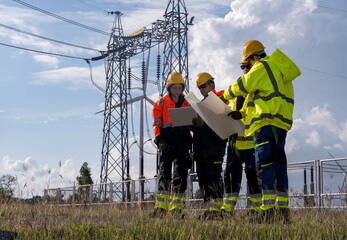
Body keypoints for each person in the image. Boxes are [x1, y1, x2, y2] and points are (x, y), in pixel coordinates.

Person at [225, 40, 301, 223]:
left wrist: (224, 95)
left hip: (265, 124)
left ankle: (267, 211)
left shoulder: (262, 66)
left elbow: (243, 85)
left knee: (264, 166)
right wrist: (242, 113)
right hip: (280, 124)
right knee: (279, 167)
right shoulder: (279, 71)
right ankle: (282, 212)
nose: (248, 68)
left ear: (255, 57)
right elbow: (265, 99)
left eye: (247, 63)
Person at [222, 59, 262, 217]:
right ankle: (228, 209)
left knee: (253, 175)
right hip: (234, 144)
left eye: (247, 66)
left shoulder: (256, 91)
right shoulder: (234, 96)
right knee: (230, 176)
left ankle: (255, 209)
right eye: (242, 67)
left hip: (251, 142)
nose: (245, 69)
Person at [151, 71, 192, 218]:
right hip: (167, 142)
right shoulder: (160, 103)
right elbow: (157, 124)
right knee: (164, 174)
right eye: (175, 88)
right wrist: (159, 140)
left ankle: (176, 209)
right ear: (169, 88)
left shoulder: (188, 101)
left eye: (180, 87)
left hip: (182, 142)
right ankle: (161, 208)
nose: (178, 90)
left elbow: (192, 123)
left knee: (180, 176)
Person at [192, 72, 227, 220]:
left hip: (215, 147)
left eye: (203, 86)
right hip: (201, 149)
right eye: (199, 87)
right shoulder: (199, 105)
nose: (201, 90)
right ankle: (209, 210)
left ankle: (217, 211)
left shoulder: (222, 98)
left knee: (214, 177)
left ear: (212, 84)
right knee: (203, 178)